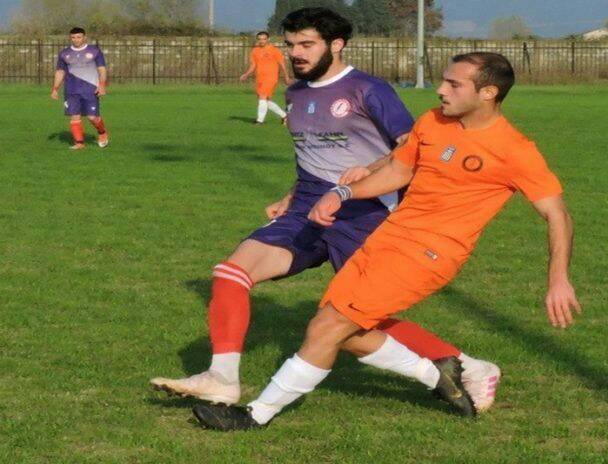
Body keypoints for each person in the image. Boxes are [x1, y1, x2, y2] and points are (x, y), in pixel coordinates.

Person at [191, 51, 582, 431]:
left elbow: (558, 215)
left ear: (488, 93)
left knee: (326, 328)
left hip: (429, 253)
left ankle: (256, 415)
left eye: (453, 84)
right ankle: (449, 372)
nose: (440, 89)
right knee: (348, 335)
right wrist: (343, 193)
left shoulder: (515, 150)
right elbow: (397, 170)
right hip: (387, 237)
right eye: (443, 80)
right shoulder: (433, 121)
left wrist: (558, 280)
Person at [151, 8, 500, 415]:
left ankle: (466, 365)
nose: (296, 53)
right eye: (291, 45)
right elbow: (312, 153)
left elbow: (413, 149)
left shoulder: (368, 90)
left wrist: (364, 175)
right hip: (307, 208)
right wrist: (292, 193)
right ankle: (222, 378)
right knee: (232, 272)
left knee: (354, 321)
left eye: (306, 44)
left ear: (336, 45)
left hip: (367, 214)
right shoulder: (296, 93)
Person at [51, 27, 108, 150]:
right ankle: (79, 143)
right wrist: (55, 88)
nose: (76, 39)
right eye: (73, 37)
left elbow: (102, 69)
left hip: (90, 89)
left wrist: (102, 85)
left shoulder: (94, 51)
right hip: (71, 90)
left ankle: (102, 132)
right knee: (74, 116)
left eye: (79, 37)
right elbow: (60, 72)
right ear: (70, 38)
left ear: (84, 37)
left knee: (92, 117)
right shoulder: (64, 53)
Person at [240, 31, 292, 124]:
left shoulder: (274, 50)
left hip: (271, 78)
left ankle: (260, 121)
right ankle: (284, 116)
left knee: (262, 97)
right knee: (265, 100)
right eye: (260, 39)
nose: (262, 41)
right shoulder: (255, 51)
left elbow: (282, 64)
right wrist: (246, 74)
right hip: (260, 78)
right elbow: (253, 65)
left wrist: (286, 76)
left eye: (264, 39)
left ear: (268, 39)